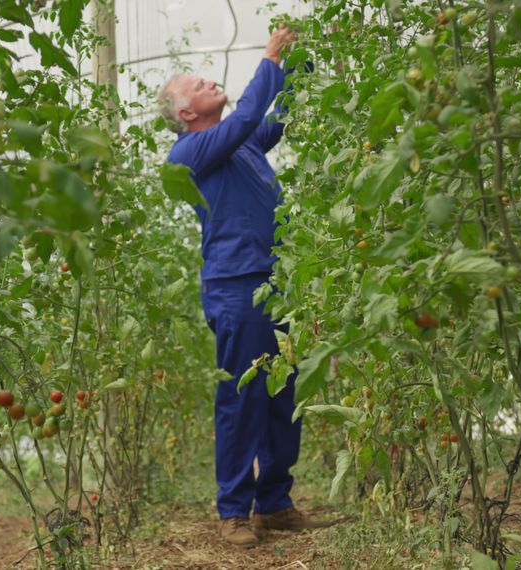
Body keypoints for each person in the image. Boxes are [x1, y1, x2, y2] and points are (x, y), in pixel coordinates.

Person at [157, 24, 332, 548]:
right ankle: (234, 510)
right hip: (237, 286)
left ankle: (274, 503)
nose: (209, 79)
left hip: (274, 282)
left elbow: (271, 119)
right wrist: (270, 58)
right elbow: (250, 115)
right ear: (186, 113)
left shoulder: (240, 145)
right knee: (242, 395)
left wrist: (298, 69)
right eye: (196, 83)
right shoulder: (189, 155)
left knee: (282, 392)